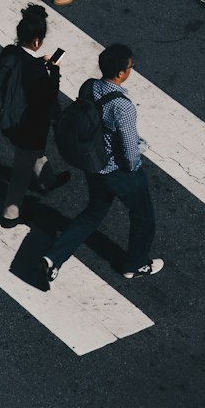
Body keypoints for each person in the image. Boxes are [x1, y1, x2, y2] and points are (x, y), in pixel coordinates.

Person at [40, 43, 163, 282]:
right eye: (130, 67)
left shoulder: (90, 86)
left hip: (94, 164)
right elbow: (129, 151)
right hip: (118, 171)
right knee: (143, 216)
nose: (131, 70)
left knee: (93, 213)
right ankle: (135, 264)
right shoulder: (123, 106)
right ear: (120, 73)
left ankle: (53, 258)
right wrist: (136, 168)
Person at [0, 5, 72, 222]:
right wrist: (54, 70)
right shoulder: (36, 71)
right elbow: (48, 96)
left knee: (33, 154)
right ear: (37, 41)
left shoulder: (9, 52)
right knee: (21, 171)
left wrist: (40, 63)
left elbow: (24, 69)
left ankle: (48, 181)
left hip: (10, 117)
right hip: (28, 125)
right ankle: (9, 213)